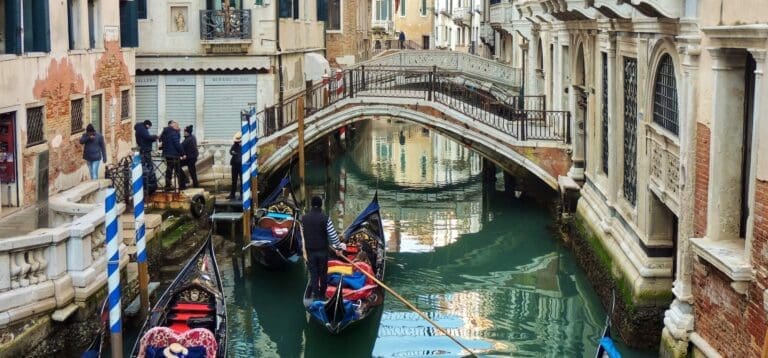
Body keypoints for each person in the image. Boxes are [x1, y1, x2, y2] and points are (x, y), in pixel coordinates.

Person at [302, 195, 346, 300]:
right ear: (321, 205)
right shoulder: (325, 218)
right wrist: (339, 247)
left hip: (310, 251)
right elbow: (333, 236)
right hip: (322, 250)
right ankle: (322, 295)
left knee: (313, 274)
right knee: (323, 273)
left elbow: (305, 234)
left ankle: (316, 295)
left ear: (311, 205)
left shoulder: (304, 218)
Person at [134, 120, 159, 194]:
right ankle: (149, 187)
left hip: (143, 149)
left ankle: (149, 187)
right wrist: (155, 137)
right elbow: (147, 137)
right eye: (149, 127)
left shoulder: (140, 128)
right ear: (147, 125)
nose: (149, 129)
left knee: (147, 167)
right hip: (145, 150)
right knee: (148, 168)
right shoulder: (142, 129)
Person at [161, 120, 187, 190]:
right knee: (178, 170)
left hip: (167, 154)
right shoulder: (173, 133)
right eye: (177, 126)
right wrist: (183, 153)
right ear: (173, 126)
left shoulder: (165, 132)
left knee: (169, 170)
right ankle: (182, 185)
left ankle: (168, 186)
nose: (178, 127)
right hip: (174, 154)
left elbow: (161, 140)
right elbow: (177, 144)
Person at [227, 132, 242, 200]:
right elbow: (230, 151)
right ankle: (232, 194)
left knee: (242, 181)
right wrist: (232, 152)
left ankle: (241, 195)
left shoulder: (243, 146)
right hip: (234, 165)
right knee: (234, 180)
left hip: (241, 165)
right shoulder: (234, 145)